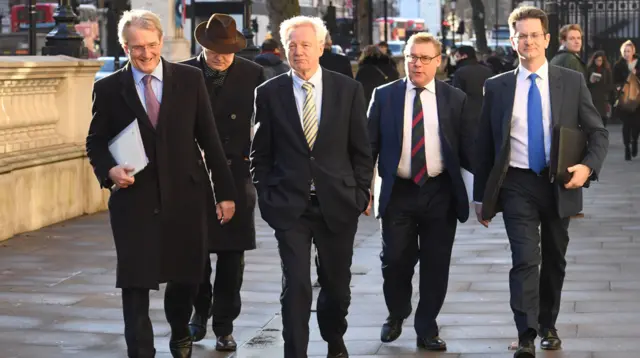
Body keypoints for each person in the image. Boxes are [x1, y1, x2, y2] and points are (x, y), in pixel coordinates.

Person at [85, 9, 236, 358]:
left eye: (151, 45)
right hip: (133, 201)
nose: (146, 53)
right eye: (137, 47)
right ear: (125, 47)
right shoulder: (108, 89)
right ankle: (141, 351)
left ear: (161, 42)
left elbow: (210, 140)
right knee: (135, 281)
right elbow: (95, 140)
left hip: (186, 196)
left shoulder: (189, 79)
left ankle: (181, 330)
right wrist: (109, 171)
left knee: (186, 276)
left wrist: (226, 193)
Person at [473, 6, 608, 358]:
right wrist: (480, 198)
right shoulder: (497, 86)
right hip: (516, 184)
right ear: (513, 40)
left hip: (558, 182)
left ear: (547, 39)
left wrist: (587, 168)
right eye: (521, 35)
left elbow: (598, 133)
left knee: (554, 259)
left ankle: (548, 324)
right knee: (524, 259)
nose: (528, 41)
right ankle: (527, 333)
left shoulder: (571, 81)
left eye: (535, 34)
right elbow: (484, 146)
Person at [251, 15, 373, 358]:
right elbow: (259, 154)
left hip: (338, 202)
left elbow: (361, 149)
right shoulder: (269, 92)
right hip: (290, 206)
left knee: (337, 285)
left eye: (305, 45)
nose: (298, 52)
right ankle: (296, 351)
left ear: (321, 47)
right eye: (292, 45)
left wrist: (361, 192)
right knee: (297, 285)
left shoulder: (347, 89)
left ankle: (334, 338)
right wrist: (266, 195)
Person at [367, 32, 475, 351]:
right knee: (395, 260)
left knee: (436, 263)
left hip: (440, 191)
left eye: (425, 58)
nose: (417, 63)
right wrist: (362, 190)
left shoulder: (455, 98)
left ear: (438, 62)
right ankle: (397, 312)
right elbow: (368, 146)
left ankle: (427, 326)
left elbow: (469, 149)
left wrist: (490, 190)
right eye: (411, 56)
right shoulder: (384, 96)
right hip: (398, 191)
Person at [180, 13, 266, 351]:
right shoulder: (183, 73)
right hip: (193, 174)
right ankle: (198, 313)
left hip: (237, 172)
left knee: (232, 257)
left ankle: (225, 324)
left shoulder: (254, 74)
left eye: (228, 50)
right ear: (203, 45)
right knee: (196, 253)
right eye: (215, 49)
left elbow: (265, 124)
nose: (221, 55)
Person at [612, 40, 640, 160]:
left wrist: (636, 74)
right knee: (626, 125)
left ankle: (634, 141)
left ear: (633, 51)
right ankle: (627, 148)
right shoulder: (618, 65)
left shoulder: (638, 64)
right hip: (625, 99)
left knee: (637, 124)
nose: (626, 53)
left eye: (628, 51)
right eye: (624, 51)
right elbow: (614, 81)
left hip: (638, 100)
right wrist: (619, 86)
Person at [586, 50, 614, 127]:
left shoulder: (607, 70)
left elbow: (610, 85)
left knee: (603, 120)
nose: (599, 62)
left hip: (603, 99)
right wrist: (591, 81)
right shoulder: (589, 69)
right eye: (597, 60)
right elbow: (585, 84)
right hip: (593, 98)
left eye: (600, 60)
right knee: (594, 121)